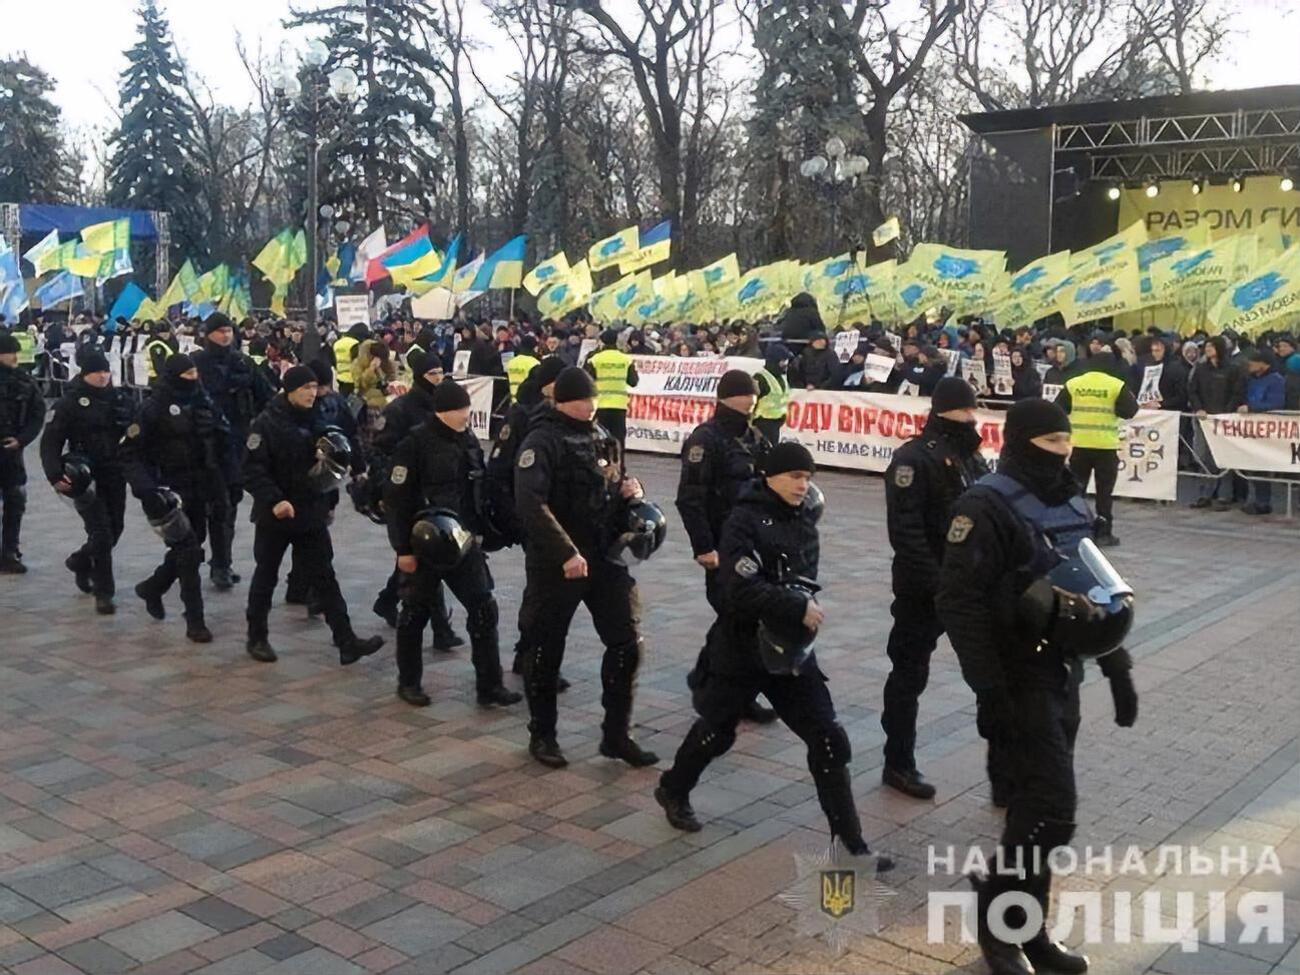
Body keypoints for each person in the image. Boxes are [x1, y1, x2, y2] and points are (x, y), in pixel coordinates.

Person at [938, 398, 1138, 975]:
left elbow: (1089, 589)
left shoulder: (1068, 497)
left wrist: (1115, 665)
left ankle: (1030, 932)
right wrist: (989, 691)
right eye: (1051, 443)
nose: (1063, 451)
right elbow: (959, 602)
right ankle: (999, 929)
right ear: (1024, 441)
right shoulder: (983, 505)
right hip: (1015, 675)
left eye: (1066, 442)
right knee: (1052, 808)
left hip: (1061, 671)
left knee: (1035, 810)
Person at [654, 443, 892, 869]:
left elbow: (804, 581)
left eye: (808, 477)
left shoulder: (805, 522)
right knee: (717, 730)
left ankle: (850, 846)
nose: (804, 485)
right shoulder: (743, 521)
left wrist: (799, 607)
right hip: (740, 649)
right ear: (771, 476)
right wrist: (795, 606)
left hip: (790, 651)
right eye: (795, 476)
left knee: (828, 738)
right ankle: (674, 787)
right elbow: (739, 591)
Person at [514, 367, 658, 770]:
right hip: (557, 563)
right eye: (582, 399)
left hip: (604, 556)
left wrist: (632, 492)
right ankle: (543, 735)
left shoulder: (603, 437)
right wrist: (565, 552)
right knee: (544, 648)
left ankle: (617, 735)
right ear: (561, 401)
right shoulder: (541, 441)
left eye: (592, 398)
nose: (590, 405)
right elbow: (530, 502)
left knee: (627, 642)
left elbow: (615, 482)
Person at [384, 379, 524, 708]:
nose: (467, 415)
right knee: (414, 613)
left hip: (464, 541)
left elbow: (479, 485)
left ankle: (490, 685)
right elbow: (397, 499)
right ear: (444, 411)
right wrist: (402, 549)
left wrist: (490, 528)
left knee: (483, 608)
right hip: (427, 542)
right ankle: (409, 682)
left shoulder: (468, 440)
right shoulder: (415, 443)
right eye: (461, 409)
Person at [880, 378, 988, 799]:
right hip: (924, 590)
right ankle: (898, 763)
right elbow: (905, 533)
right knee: (909, 674)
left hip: (968, 587)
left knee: (988, 673)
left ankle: (1002, 765)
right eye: (965, 411)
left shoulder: (971, 457)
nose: (972, 418)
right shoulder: (913, 459)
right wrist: (937, 582)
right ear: (947, 411)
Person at [242, 365, 385, 664]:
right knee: (266, 575)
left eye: (313, 387)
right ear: (289, 391)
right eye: (304, 388)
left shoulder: (319, 418)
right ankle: (257, 637)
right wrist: (275, 500)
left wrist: (343, 468)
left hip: (309, 511)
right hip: (277, 516)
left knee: (325, 576)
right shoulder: (266, 424)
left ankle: (346, 640)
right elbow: (252, 470)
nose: (311, 393)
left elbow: (338, 449)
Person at [676, 369, 777, 725]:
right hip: (722, 545)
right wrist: (704, 547)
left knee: (739, 621)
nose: (750, 401)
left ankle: (715, 681)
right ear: (726, 398)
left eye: (753, 396)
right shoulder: (707, 440)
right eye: (744, 395)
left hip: (753, 546)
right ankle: (722, 691)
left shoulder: (755, 437)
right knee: (738, 619)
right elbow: (690, 498)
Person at [123, 354, 225, 642]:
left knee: (191, 547)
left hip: (201, 486)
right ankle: (195, 620)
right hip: (169, 491)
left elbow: (219, 440)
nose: (193, 377)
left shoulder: (203, 401)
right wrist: (148, 489)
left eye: (195, 371)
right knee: (189, 551)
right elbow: (130, 454)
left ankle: (153, 587)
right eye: (187, 372)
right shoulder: (152, 408)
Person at [368, 348, 464, 649]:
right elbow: (380, 450)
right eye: (432, 374)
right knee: (424, 559)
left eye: (440, 373)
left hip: (440, 498)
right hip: (410, 494)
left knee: (423, 559)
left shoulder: (445, 406)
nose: (437, 379)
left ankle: (387, 601)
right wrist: (386, 486)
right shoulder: (401, 409)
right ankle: (440, 630)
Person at [39, 349, 133, 611]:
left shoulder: (120, 399)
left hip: (114, 472)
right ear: (84, 374)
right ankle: (104, 592)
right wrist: (54, 474)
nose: (103, 377)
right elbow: (51, 441)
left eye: (106, 371)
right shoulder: (70, 403)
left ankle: (80, 561)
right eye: (96, 372)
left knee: (115, 529)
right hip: (84, 475)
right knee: (101, 532)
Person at [193, 312, 274, 590]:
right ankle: (192, 558)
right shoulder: (196, 364)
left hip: (236, 446)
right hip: (203, 447)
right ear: (208, 334)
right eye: (219, 331)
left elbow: (267, 396)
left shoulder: (243, 362)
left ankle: (221, 564)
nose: (225, 336)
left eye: (228, 330)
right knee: (204, 509)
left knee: (227, 506)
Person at [1055, 343, 1139, 547]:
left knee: (1076, 490)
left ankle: (1073, 527)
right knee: (1104, 492)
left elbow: (1059, 408)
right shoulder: (1115, 385)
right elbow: (1130, 411)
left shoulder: (1074, 383)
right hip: (1105, 447)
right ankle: (1103, 532)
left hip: (1079, 445)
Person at [0, 333, 46, 573]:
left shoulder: (24, 381)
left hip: (11, 454)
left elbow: (37, 414)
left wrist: (22, 440)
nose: (15, 357)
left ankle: (9, 551)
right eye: (10, 352)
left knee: (15, 500)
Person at [1188, 336, 1247, 510]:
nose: (1207, 349)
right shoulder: (1201, 368)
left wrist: (1227, 411)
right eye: (1206, 347)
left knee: (1223, 456)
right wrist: (1198, 408)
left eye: (1211, 347)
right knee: (1203, 456)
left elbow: (1237, 392)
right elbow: (1192, 390)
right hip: (1204, 419)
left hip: (1223, 419)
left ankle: (1224, 495)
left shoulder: (1232, 369)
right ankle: (1205, 493)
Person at [1239, 351, 1286, 515]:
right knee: (1252, 465)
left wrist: (1252, 408)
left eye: (1253, 363)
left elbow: (1277, 402)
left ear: (1263, 364)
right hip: (1252, 427)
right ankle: (1258, 499)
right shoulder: (1252, 379)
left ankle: (1263, 501)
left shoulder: (1276, 380)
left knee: (1261, 466)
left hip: (1267, 427)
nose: (1249, 366)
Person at [584, 329, 639, 451]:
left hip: (600, 405)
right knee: (618, 439)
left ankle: (602, 466)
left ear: (602, 342)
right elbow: (633, 382)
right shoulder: (626, 359)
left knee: (600, 438)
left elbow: (587, 382)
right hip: (619, 405)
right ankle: (620, 467)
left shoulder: (595, 359)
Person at [753, 344, 793, 446]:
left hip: (777, 424)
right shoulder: (760, 378)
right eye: (783, 361)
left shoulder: (782, 377)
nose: (786, 364)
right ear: (774, 361)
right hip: (762, 424)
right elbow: (751, 402)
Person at [333, 321, 369, 396]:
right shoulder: (355, 343)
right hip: (352, 379)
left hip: (340, 378)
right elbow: (359, 361)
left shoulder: (337, 343)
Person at [505, 336, 541, 402]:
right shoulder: (535, 363)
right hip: (527, 402)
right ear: (534, 347)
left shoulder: (511, 362)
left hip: (513, 401)